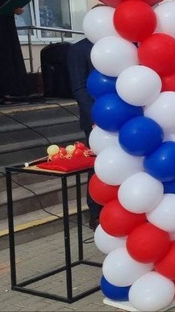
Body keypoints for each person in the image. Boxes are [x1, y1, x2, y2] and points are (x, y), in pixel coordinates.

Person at [67, 36, 100, 229]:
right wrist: (96, 118)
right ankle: (96, 213)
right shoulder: (79, 49)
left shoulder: (119, 43)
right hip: (96, 121)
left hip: (123, 118)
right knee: (97, 168)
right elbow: (79, 88)